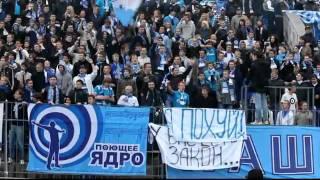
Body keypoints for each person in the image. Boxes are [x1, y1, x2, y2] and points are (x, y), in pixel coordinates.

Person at [8, 89, 28, 165]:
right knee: (11, 142)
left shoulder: (24, 103)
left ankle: (22, 158)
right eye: (15, 94)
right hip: (12, 124)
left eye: (16, 94)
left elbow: (27, 108)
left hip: (20, 124)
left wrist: (25, 105)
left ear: (20, 95)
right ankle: (11, 157)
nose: (15, 95)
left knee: (20, 142)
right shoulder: (13, 102)